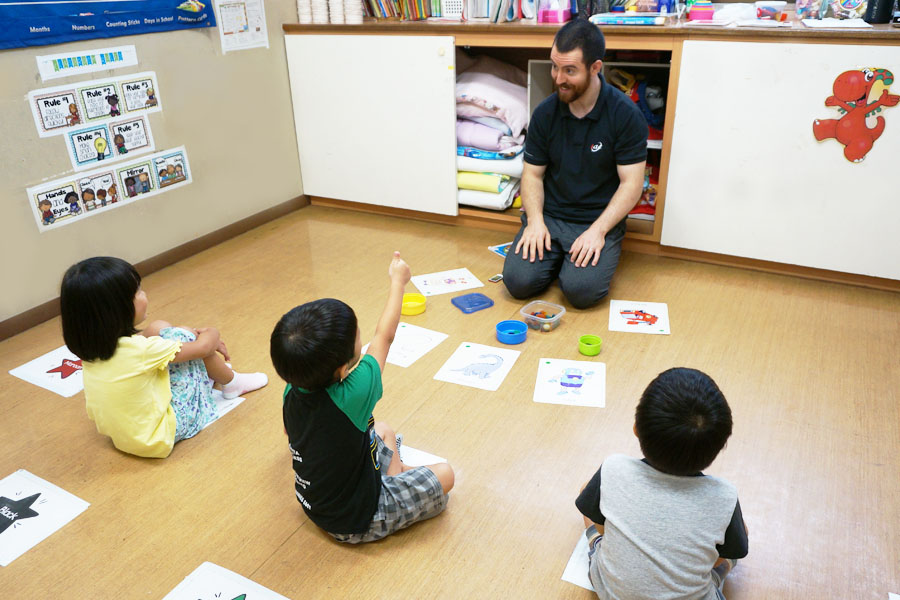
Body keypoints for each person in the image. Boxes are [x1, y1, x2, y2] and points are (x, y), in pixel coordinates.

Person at [270, 251, 454, 544]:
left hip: (314, 503)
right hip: (357, 519)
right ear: (343, 368)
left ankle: (393, 479)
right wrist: (398, 281)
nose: (362, 334)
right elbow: (384, 336)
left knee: (384, 430)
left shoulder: (292, 388)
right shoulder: (353, 394)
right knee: (446, 475)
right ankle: (394, 485)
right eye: (356, 334)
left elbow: (290, 433)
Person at [503, 19, 648, 309]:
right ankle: (559, 258)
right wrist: (535, 222)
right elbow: (532, 175)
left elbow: (631, 184)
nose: (558, 78)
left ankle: (573, 263)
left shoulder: (626, 115)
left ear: (596, 68)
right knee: (518, 283)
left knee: (582, 292)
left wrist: (599, 231)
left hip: (596, 220)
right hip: (551, 215)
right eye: (555, 66)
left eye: (570, 70)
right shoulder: (545, 113)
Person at [60, 256, 268, 458]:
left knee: (159, 327)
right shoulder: (140, 351)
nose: (144, 294)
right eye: (138, 292)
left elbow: (152, 338)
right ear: (117, 309)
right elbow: (203, 348)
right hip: (161, 435)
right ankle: (232, 383)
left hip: (124, 437)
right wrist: (212, 332)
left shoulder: (93, 349)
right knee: (182, 335)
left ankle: (209, 373)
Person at [575, 368, 749, 599]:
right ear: (718, 448)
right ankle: (720, 575)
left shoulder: (614, 468)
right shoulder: (724, 496)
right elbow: (733, 550)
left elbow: (600, 523)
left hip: (610, 592)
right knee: (738, 536)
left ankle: (598, 547)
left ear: (636, 428)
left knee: (588, 491)